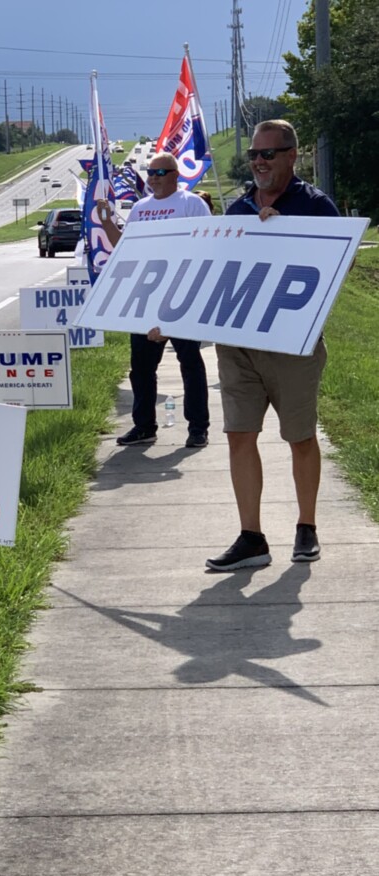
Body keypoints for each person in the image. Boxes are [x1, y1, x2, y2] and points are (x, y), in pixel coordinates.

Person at [206, 119, 341, 571]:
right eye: (253, 155)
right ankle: (252, 538)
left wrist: (284, 234)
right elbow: (219, 272)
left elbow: (329, 274)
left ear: (291, 156)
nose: (259, 162)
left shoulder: (317, 208)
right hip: (238, 343)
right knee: (238, 436)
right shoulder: (239, 208)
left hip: (292, 346)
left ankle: (307, 526)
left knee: (299, 437)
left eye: (268, 154)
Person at [97, 152, 212, 449]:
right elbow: (125, 246)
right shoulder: (140, 208)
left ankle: (198, 427)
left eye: (161, 172)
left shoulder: (191, 203)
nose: (154, 177)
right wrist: (107, 220)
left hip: (183, 295)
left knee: (190, 363)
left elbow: (208, 245)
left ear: (176, 175)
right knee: (141, 368)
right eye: (151, 172)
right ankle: (144, 425)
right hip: (147, 297)